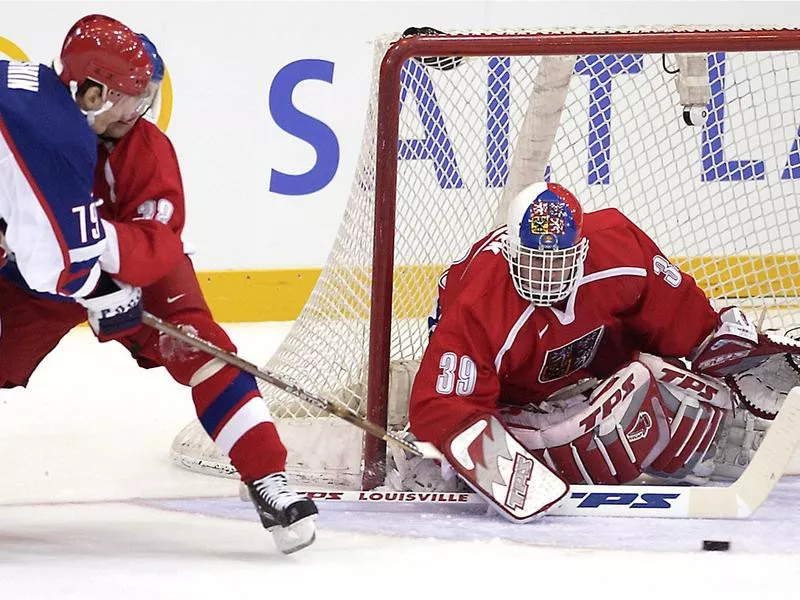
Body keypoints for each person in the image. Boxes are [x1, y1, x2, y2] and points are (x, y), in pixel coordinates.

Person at [0, 33, 317, 554]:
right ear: (91, 91)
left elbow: (157, 245)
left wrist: (91, 246)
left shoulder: (147, 150)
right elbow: (40, 251)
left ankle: (268, 478)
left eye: (147, 94)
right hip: (42, 277)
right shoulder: (44, 132)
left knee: (203, 347)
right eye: (133, 94)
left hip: (128, 271)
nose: (141, 108)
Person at [401, 181, 800, 517]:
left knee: (666, 391)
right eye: (534, 262)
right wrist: (485, 462)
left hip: (594, 363)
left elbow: (674, 311)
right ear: (510, 251)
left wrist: (719, 345)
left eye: (559, 262)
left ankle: (725, 433)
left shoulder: (618, 249)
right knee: (592, 435)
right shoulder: (481, 303)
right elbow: (443, 403)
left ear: (581, 249)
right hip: (509, 391)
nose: (547, 276)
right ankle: (453, 456)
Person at [0, 14, 151, 341]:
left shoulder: (30, 84)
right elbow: (54, 264)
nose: (128, 115)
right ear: (94, 95)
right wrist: (102, 291)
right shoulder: (59, 135)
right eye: (124, 99)